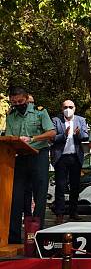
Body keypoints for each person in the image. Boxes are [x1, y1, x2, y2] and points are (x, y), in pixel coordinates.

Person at [5, 86, 55, 243]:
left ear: (26, 99)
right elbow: (9, 137)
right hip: (20, 157)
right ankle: (13, 237)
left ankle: (37, 234)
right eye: (14, 102)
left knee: (39, 195)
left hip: (38, 155)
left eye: (20, 101)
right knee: (16, 196)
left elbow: (51, 132)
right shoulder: (11, 116)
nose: (17, 104)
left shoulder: (40, 112)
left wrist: (32, 138)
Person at [51, 99, 89, 224]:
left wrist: (78, 134)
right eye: (65, 107)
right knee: (61, 186)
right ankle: (59, 214)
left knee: (75, 186)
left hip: (75, 157)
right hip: (61, 157)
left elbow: (85, 136)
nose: (68, 109)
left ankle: (73, 212)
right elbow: (52, 138)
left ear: (75, 108)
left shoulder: (81, 120)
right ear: (62, 109)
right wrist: (65, 135)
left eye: (70, 107)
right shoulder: (56, 120)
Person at [23, 93, 36, 218]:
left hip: (36, 155)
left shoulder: (39, 115)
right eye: (28, 102)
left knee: (34, 188)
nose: (30, 105)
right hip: (22, 156)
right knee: (26, 189)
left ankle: (33, 218)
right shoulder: (15, 115)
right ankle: (26, 215)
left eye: (32, 102)